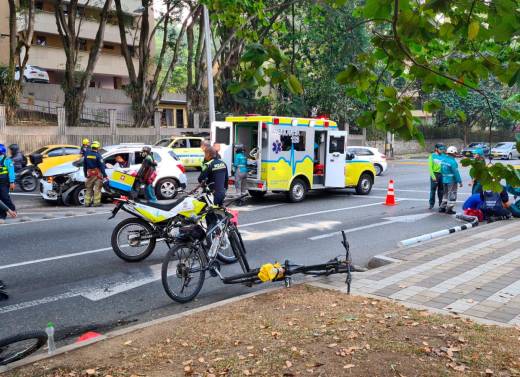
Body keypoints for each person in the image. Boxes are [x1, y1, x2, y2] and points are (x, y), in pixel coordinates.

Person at [439, 146, 462, 215]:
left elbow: (441, 170)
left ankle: (442, 207)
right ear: (453, 153)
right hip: (451, 180)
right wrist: (459, 181)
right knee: (452, 194)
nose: (456, 154)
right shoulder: (453, 162)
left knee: (445, 194)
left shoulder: (443, 160)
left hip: (444, 179)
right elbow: (456, 173)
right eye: (455, 153)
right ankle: (449, 209)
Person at [83, 141, 107, 207]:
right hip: (97, 174)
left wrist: (85, 174)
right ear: (98, 147)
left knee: (88, 189)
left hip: (89, 174)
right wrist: (105, 175)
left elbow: (84, 165)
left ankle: (87, 203)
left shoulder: (87, 155)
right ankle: (96, 203)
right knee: (97, 189)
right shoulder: (98, 155)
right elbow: (102, 166)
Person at [0, 144, 16, 220]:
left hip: (4, 182)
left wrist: (12, 182)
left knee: (5, 197)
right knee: (1, 199)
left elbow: (11, 172)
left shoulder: (7, 160)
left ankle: (12, 209)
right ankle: (2, 215)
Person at [428, 143, 445, 209]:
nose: (442, 150)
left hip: (442, 175)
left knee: (441, 191)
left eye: (443, 149)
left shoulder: (444, 156)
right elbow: (430, 168)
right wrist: (433, 177)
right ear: (436, 149)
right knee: (433, 190)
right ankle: (431, 204)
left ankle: (441, 204)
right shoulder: (432, 156)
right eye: (440, 149)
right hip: (435, 174)